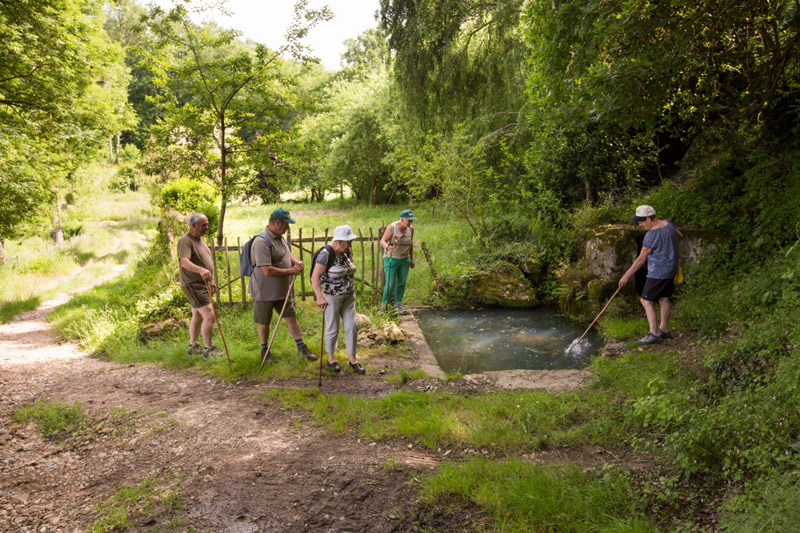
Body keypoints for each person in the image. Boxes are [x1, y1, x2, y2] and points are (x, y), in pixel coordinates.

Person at [249, 208, 317, 364]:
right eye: (287, 224)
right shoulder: (261, 241)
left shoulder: (279, 238)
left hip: (282, 291)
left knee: (291, 317)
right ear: (278, 223)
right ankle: (265, 351)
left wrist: (295, 262)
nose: (288, 228)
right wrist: (290, 271)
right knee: (264, 321)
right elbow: (267, 270)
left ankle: (302, 347)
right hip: (264, 292)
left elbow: (286, 254)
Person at [619, 205, 680, 345]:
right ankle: (664, 329)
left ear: (649, 218)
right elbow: (677, 232)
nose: (640, 224)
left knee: (645, 300)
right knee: (664, 298)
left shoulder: (652, 235)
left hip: (658, 272)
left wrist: (626, 276)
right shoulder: (669, 224)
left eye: (641, 221)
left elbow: (641, 259)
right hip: (671, 269)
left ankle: (654, 333)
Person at [310, 225, 366, 375]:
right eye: (348, 241)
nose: (350, 244)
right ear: (340, 241)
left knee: (351, 326)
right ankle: (331, 358)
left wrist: (351, 282)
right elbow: (314, 277)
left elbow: (350, 268)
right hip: (331, 297)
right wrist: (319, 297)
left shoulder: (346, 251)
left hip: (349, 296)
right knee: (333, 328)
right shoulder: (326, 254)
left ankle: (353, 359)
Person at [177, 213, 222, 359]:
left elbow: (203, 261)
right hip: (193, 284)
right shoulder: (185, 240)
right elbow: (184, 261)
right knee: (209, 314)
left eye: (207, 224)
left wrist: (211, 280)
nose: (207, 227)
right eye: (204, 225)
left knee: (197, 314)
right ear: (194, 225)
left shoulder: (200, 240)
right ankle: (209, 350)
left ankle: (193, 346)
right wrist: (201, 270)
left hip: (202, 283)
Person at [380, 209, 416, 314]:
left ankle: (398, 305)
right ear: (402, 219)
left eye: (412, 221)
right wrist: (387, 247)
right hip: (391, 258)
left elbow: (410, 244)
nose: (410, 223)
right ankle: (384, 306)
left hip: (405, 259)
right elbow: (382, 240)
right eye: (409, 221)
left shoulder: (411, 229)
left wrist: (411, 259)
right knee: (390, 283)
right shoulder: (392, 227)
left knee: (401, 283)